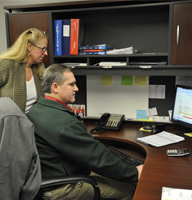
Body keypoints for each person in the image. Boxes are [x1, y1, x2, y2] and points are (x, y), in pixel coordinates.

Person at [27, 64, 143, 200]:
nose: (76, 88)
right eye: (71, 84)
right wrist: (134, 172)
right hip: (63, 187)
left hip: (49, 178)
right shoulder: (64, 123)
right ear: (55, 87)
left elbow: (91, 152)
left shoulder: (36, 109)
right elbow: (97, 158)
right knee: (129, 189)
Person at [0, 28, 48, 113]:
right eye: (42, 49)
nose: (46, 53)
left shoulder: (39, 68)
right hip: (8, 123)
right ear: (29, 47)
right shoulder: (6, 65)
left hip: (32, 123)